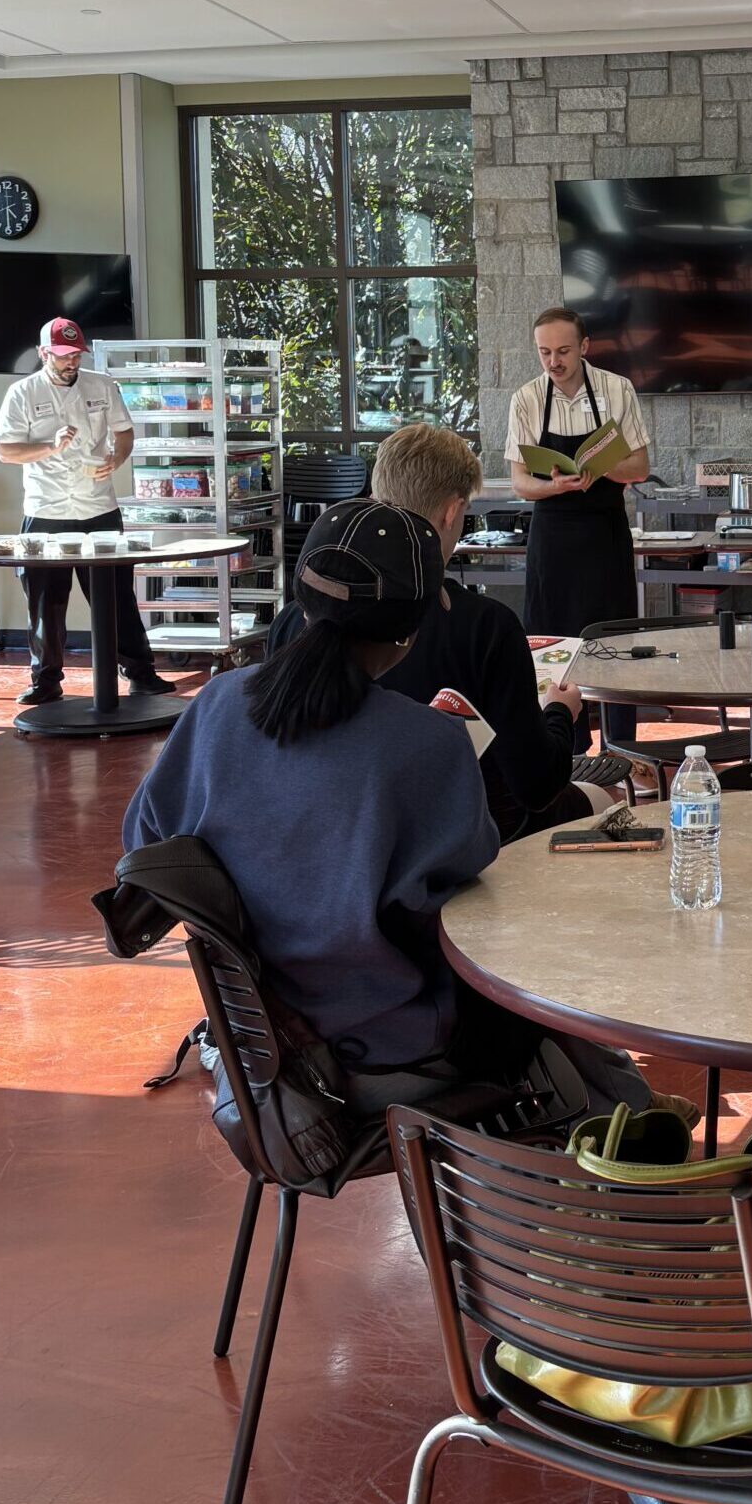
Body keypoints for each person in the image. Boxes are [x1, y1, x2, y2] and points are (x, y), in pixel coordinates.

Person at [123, 499, 655, 1118]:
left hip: (259, 1040)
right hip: (385, 1049)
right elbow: (470, 883)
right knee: (537, 960)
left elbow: (146, 842)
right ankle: (625, 1129)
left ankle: (629, 1108)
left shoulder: (216, 704)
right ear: (415, 624)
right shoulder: (426, 742)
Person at [268, 423, 606, 841]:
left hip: (323, 828)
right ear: (452, 512)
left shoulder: (290, 622)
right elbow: (536, 786)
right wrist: (558, 712)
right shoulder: (484, 626)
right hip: (463, 837)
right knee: (601, 797)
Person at [0, 317, 173, 707]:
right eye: (61, 355)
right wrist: (49, 447)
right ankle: (45, 680)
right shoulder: (21, 393)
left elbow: (124, 433)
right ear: (43, 353)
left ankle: (140, 673)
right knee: (45, 600)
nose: (70, 362)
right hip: (46, 510)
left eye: (75, 354)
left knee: (117, 596)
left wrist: (116, 458)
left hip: (99, 508)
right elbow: (6, 451)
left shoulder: (102, 385)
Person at [505, 306, 650, 749]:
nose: (554, 362)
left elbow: (640, 467)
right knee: (552, 648)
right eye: (545, 352)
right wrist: (557, 486)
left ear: (584, 347)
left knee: (616, 645)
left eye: (563, 350)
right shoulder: (526, 398)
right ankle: (562, 751)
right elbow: (520, 483)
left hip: (605, 534)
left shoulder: (616, 388)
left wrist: (601, 469)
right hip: (552, 540)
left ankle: (623, 749)